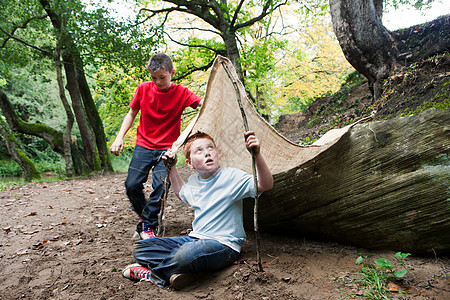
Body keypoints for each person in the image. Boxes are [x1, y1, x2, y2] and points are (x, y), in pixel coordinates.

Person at [122, 130, 273, 290]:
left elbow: (265, 185)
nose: (207, 153)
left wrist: (256, 155)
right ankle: (185, 272)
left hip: (223, 245)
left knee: (187, 254)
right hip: (194, 239)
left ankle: (154, 276)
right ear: (189, 163)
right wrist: (171, 168)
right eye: (199, 151)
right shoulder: (194, 181)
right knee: (142, 248)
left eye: (210, 148)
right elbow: (181, 193)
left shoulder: (231, 177)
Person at [110, 53, 203, 239]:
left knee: (160, 187)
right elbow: (131, 114)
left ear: (172, 73)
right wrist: (119, 137)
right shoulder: (143, 89)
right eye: (154, 78)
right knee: (131, 185)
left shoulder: (182, 92)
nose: (158, 82)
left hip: (168, 149)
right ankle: (147, 219)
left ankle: (147, 226)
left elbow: (203, 104)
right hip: (144, 145)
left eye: (162, 77)